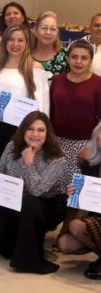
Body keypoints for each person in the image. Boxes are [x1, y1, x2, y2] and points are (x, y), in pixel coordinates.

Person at [0, 23, 50, 224]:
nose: (15, 44)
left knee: (16, 172)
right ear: (4, 42)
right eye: (11, 39)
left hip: (20, 131)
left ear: (27, 43)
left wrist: (39, 136)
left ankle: (10, 221)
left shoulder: (34, 69)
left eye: (20, 40)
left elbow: (42, 105)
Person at [0, 111, 66, 274]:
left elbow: (36, 191)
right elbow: (0, 173)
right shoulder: (11, 147)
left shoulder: (57, 158)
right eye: (30, 129)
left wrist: (29, 163)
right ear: (23, 130)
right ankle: (24, 249)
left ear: (47, 133)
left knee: (30, 203)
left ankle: (32, 261)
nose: (35, 134)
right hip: (16, 201)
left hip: (46, 205)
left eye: (41, 130)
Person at [49, 39, 101, 191]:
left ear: (90, 61)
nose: (78, 62)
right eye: (74, 57)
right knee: (56, 190)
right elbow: (50, 112)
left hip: (84, 146)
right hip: (57, 144)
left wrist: (90, 148)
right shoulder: (57, 81)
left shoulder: (98, 84)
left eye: (84, 58)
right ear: (67, 58)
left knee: (77, 192)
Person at [58, 121, 101, 279]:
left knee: (76, 226)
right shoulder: (90, 164)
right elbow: (86, 198)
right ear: (97, 137)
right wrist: (74, 194)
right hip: (97, 219)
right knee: (65, 244)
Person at [31, 10, 67, 79]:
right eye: (44, 28)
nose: (48, 32)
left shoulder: (67, 57)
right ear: (35, 30)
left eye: (53, 29)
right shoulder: (24, 55)